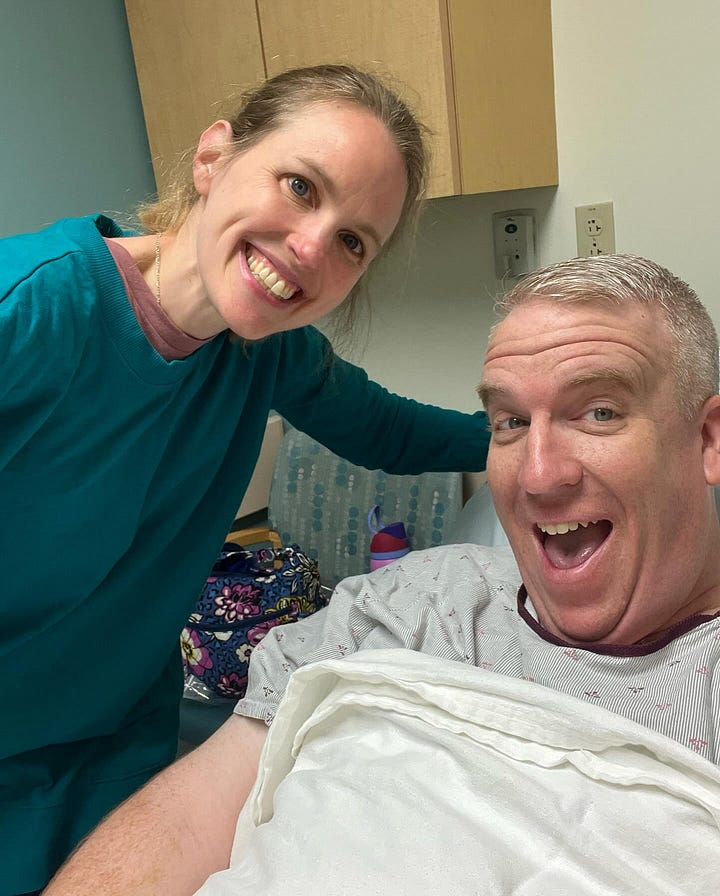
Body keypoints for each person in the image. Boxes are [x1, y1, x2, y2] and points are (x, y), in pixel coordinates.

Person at [44, 252, 720, 894]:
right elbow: (190, 817)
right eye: (510, 421)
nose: (539, 476)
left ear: (708, 439)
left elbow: (383, 426)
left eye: (599, 412)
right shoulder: (410, 603)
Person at [0, 64, 493, 895]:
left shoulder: (267, 352)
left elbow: (390, 429)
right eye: (300, 186)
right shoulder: (30, 312)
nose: (311, 247)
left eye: (353, 242)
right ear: (213, 157)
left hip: (119, 745)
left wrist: (530, 434)